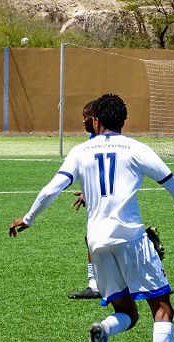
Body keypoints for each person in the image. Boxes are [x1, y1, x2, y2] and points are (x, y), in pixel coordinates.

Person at [9, 94, 174, 342]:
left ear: (96, 120)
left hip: (97, 243)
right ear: (123, 120)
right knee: (162, 309)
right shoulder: (136, 148)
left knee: (127, 313)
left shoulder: (80, 152)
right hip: (130, 239)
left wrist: (28, 219)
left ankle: (104, 329)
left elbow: (51, 189)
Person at [69, 100, 102, 300]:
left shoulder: (105, 141)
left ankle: (95, 285)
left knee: (96, 238)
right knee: (92, 238)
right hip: (99, 198)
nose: (83, 121)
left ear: (96, 118)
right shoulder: (92, 139)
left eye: (86, 117)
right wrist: (85, 193)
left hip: (108, 200)